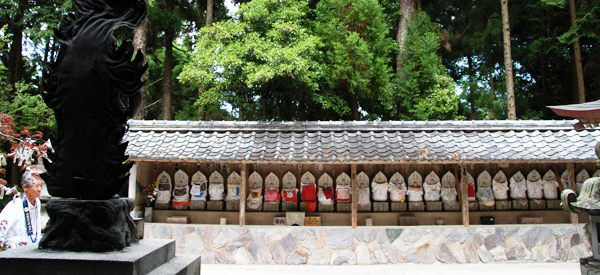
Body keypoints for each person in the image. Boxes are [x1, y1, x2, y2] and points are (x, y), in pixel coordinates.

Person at [0, 168, 44, 248]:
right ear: (25, 187)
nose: (39, 189)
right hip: (14, 248)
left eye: (41, 185)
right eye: (36, 186)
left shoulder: (37, 201)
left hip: (31, 247)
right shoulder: (16, 204)